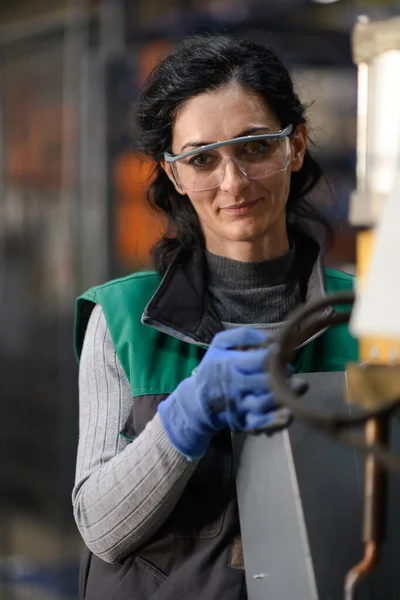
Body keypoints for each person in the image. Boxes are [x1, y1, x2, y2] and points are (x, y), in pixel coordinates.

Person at [72, 34, 358, 600]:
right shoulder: (123, 319)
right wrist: (188, 413)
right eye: (202, 159)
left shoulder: (367, 318)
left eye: (254, 148)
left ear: (294, 147)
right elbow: (101, 528)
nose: (233, 183)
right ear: (174, 175)